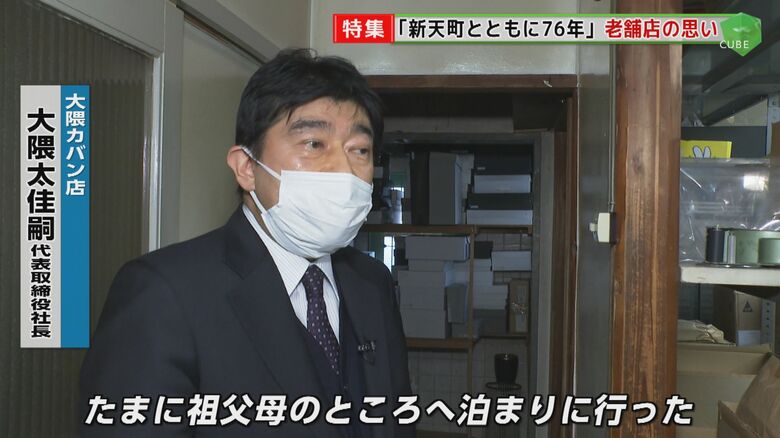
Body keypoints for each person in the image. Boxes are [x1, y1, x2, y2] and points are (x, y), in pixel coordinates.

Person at [80, 48, 413, 438]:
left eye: (359, 150)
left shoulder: (371, 282)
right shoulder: (163, 293)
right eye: (313, 144)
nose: (343, 169)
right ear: (247, 168)